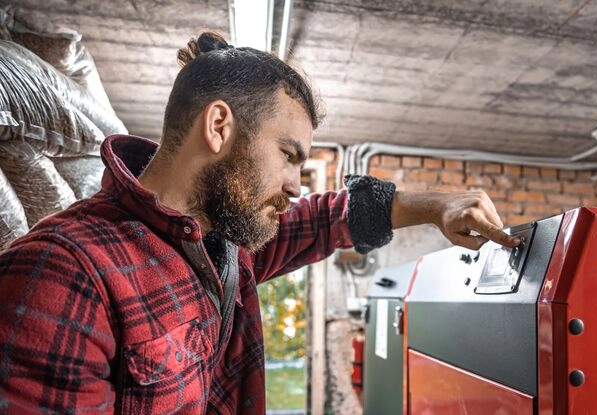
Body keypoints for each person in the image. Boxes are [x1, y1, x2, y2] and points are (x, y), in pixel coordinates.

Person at [0, 31, 520, 414]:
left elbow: (322, 219)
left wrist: (433, 206)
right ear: (219, 126)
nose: (296, 184)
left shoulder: (221, 241)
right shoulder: (63, 273)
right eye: (289, 155)